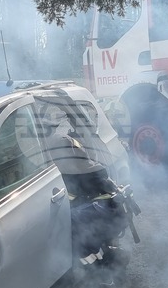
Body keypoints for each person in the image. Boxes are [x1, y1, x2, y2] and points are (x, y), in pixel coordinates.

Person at [39, 104, 132, 272]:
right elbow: (94, 172)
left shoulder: (52, 144)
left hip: (81, 203)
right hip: (86, 202)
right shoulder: (64, 142)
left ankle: (102, 267)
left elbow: (89, 171)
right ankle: (105, 265)